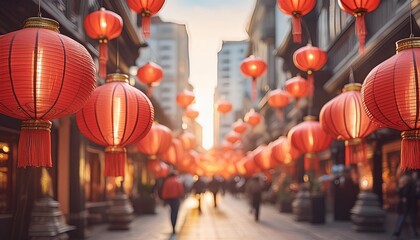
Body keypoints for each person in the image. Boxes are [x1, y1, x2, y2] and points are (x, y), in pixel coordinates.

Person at [392, 173, 419, 238]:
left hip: (406, 204)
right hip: (407, 204)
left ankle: (397, 231)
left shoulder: (404, 186)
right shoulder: (409, 186)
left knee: (403, 218)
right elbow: (409, 195)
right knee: (404, 218)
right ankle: (397, 232)